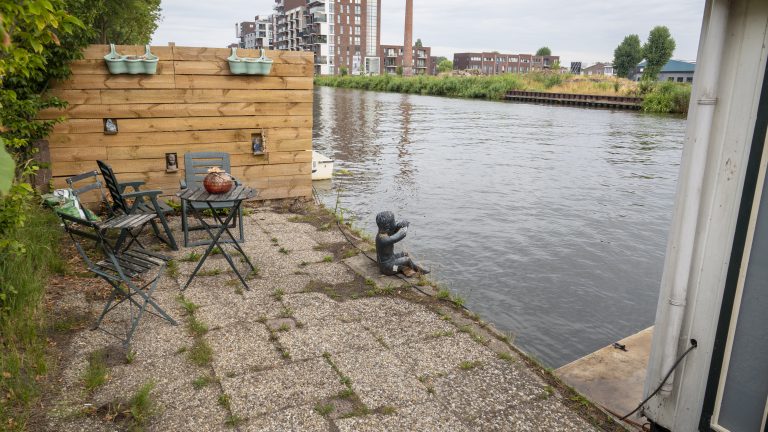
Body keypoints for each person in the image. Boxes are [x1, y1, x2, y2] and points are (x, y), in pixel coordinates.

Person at [375, 211, 430, 276]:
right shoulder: (383, 239)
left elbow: (393, 230)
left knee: (404, 254)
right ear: (388, 226)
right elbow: (401, 235)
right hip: (388, 268)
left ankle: (408, 267)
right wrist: (405, 227)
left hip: (390, 260)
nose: (395, 223)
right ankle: (419, 272)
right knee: (407, 260)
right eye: (394, 222)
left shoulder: (382, 234)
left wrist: (400, 225)